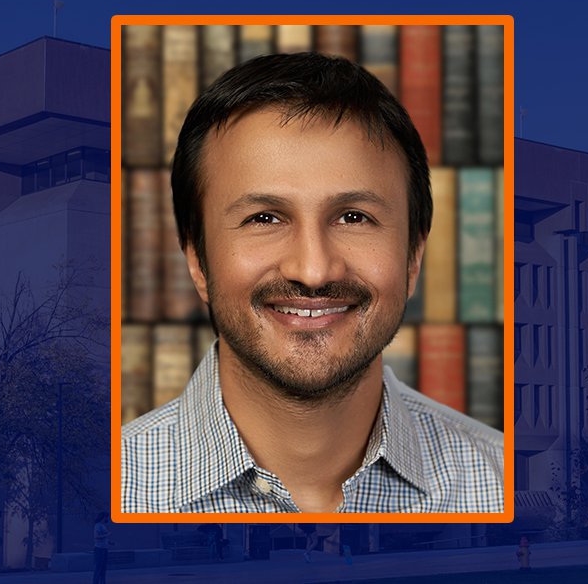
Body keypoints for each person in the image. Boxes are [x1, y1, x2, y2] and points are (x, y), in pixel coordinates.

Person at [121, 51, 504, 513]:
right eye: (264, 217)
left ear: (413, 257)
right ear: (197, 260)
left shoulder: (499, 477)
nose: (314, 270)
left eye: (353, 217)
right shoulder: (118, 483)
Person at [91, 512, 110, 584]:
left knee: (103, 568)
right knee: (98, 568)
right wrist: (107, 534)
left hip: (104, 549)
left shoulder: (103, 526)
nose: (107, 519)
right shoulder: (97, 526)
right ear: (103, 517)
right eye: (106, 517)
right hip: (99, 549)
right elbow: (96, 537)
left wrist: (109, 542)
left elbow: (103, 537)